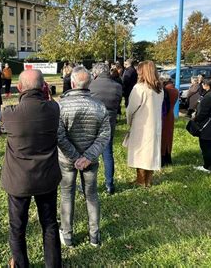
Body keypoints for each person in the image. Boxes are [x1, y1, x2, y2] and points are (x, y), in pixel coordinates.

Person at [1, 69, 62, 268]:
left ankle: (19, 264)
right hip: (46, 177)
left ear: (19, 88)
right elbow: (50, 103)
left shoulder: (9, 114)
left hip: (19, 180)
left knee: (17, 227)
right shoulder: (54, 109)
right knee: (49, 224)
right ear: (44, 87)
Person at [57, 66, 110, 247]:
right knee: (92, 195)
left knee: (67, 194)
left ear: (72, 83)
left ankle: (68, 234)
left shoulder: (61, 105)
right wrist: (86, 157)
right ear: (89, 83)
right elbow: (104, 135)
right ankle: (94, 235)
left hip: (67, 160)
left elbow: (59, 136)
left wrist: (77, 157)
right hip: (89, 160)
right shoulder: (99, 106)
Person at [124, 61, 163, 187]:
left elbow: (131, 109)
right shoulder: (159, 89)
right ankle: (148, 180)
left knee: (140, 152)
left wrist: (129, 121)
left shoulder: (139, 88)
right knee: (151, 151)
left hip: (141, 124)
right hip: (155, 124)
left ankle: (141, 180)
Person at [89, 63, 122, 194]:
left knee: (91, 154)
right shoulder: (117, 86)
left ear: (96, 73)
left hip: (93, 123)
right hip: (110, 122)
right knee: (108, 154)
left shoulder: (91, 85)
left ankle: (89, 184)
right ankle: (109, 184)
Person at [193, 77, 211, 173]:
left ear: (209, 85)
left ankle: (207, 167)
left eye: (204, 83)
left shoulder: (209, 96)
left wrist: (195, 119)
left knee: (206, 146)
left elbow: (203, 112)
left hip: (207, 125)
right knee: (210, 146)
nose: (202, 85)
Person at [160, 75, 179, 166]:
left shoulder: (165, 91)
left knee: (163, 136)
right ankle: (168, 157)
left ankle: (162, 158)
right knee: (169, 137)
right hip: (170, 115)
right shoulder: (175, 90)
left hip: (164, 115)